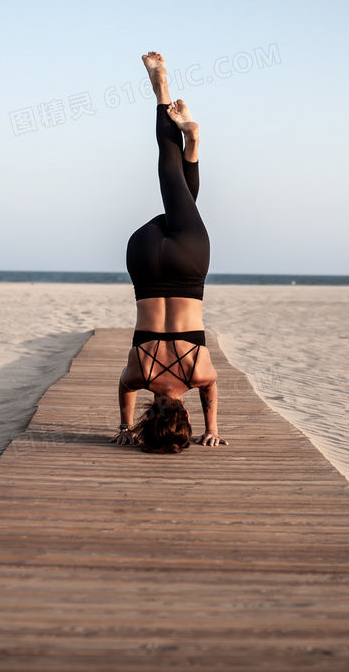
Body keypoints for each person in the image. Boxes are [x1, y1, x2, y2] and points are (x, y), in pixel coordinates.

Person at [109, 51, 226, 453]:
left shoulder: (198, 372)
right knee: (176, 187)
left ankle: (165, 93)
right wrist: (125, 427)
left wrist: (211, 427)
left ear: (185, 416)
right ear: (150, 417)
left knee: (174, 182)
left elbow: (210, 389)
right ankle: (189, 142)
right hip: (143, 259)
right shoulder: (139, 372)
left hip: (189, 264)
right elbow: (124, 388)